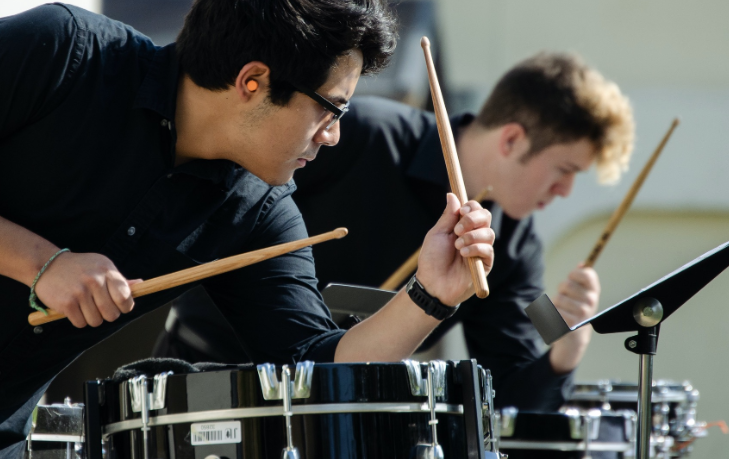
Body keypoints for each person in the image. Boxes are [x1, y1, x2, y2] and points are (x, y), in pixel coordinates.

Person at [0, 0, 494, 459]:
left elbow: (315, 367)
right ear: (253, 82)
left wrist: (432, 296)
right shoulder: (57, 53)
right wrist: (44, 263)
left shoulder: (259, 210)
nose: (335, 134)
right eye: (330, 110)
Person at [155, 52, 635, 411]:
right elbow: (225, 201)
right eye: (565, 170)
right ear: (512, 140)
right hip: (211, 380)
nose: (567, 192)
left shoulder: (512, 244)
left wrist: (564, 353)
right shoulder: (360, 134)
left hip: (346, 415)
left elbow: (507, 398)